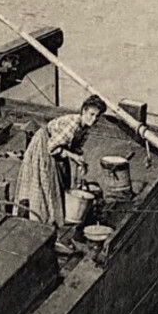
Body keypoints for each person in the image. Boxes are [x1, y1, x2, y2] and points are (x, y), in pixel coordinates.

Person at [15, 96, 105, 230]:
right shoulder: (73, 125)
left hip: (56, 147)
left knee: (63, 179)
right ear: (83, 111)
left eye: (97, 116)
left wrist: (81, 163)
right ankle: (41, 219)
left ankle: (58, 211)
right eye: (91, 114)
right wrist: (73, 156)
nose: (93, 119)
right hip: (43, 145)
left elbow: (75, 148)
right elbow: (51, 147)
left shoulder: (85, 128)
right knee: (43, 183)